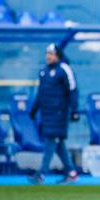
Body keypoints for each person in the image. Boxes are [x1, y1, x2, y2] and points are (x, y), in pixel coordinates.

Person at [29, 44, 79, 184]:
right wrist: (34, 110)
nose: (48, 56)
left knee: (51, 140)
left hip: (59, 113)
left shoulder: (64, 69)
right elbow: (40, 93)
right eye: (47, 53)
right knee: (58, 143)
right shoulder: (43, 71)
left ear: (58, 55)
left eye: (51, 53)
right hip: (46, 113)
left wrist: (74, 110)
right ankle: (71, 172)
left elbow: (73, 90)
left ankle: (41, 173)